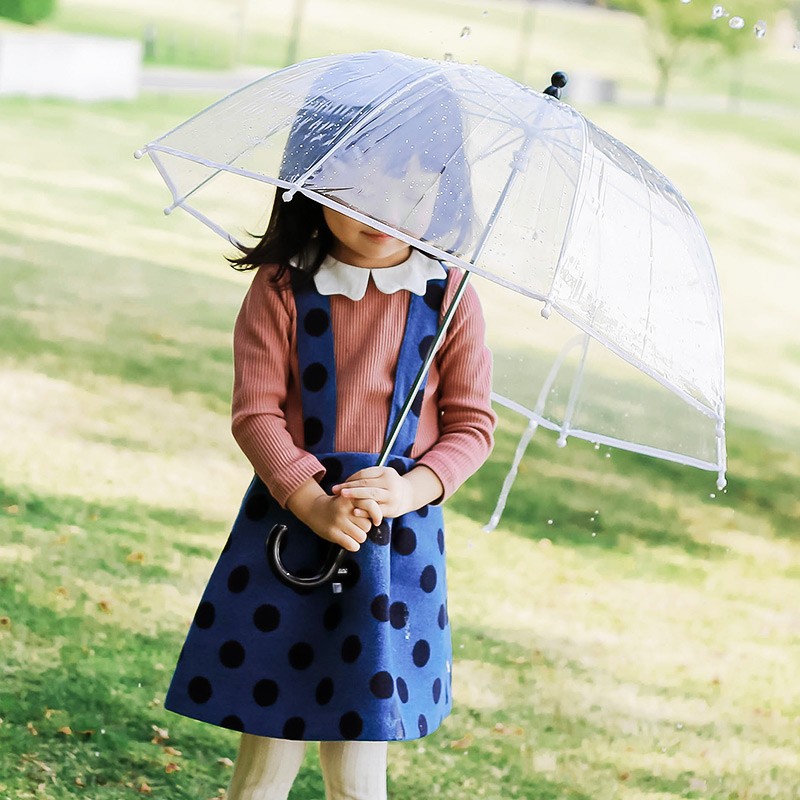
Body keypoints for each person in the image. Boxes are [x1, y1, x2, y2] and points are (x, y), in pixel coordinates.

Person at [162, 52, 496, 800]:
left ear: (446, 189)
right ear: (310, 179)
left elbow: (472, 425)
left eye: (413, 188)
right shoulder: (285, 287)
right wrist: (311, 500)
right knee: (270, 731)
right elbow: (256, 412)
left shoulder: (449, 296)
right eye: (359, 187)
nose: (384, 212)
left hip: (392, 543)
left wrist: (410, 489)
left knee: (358, 750)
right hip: (290, 528)